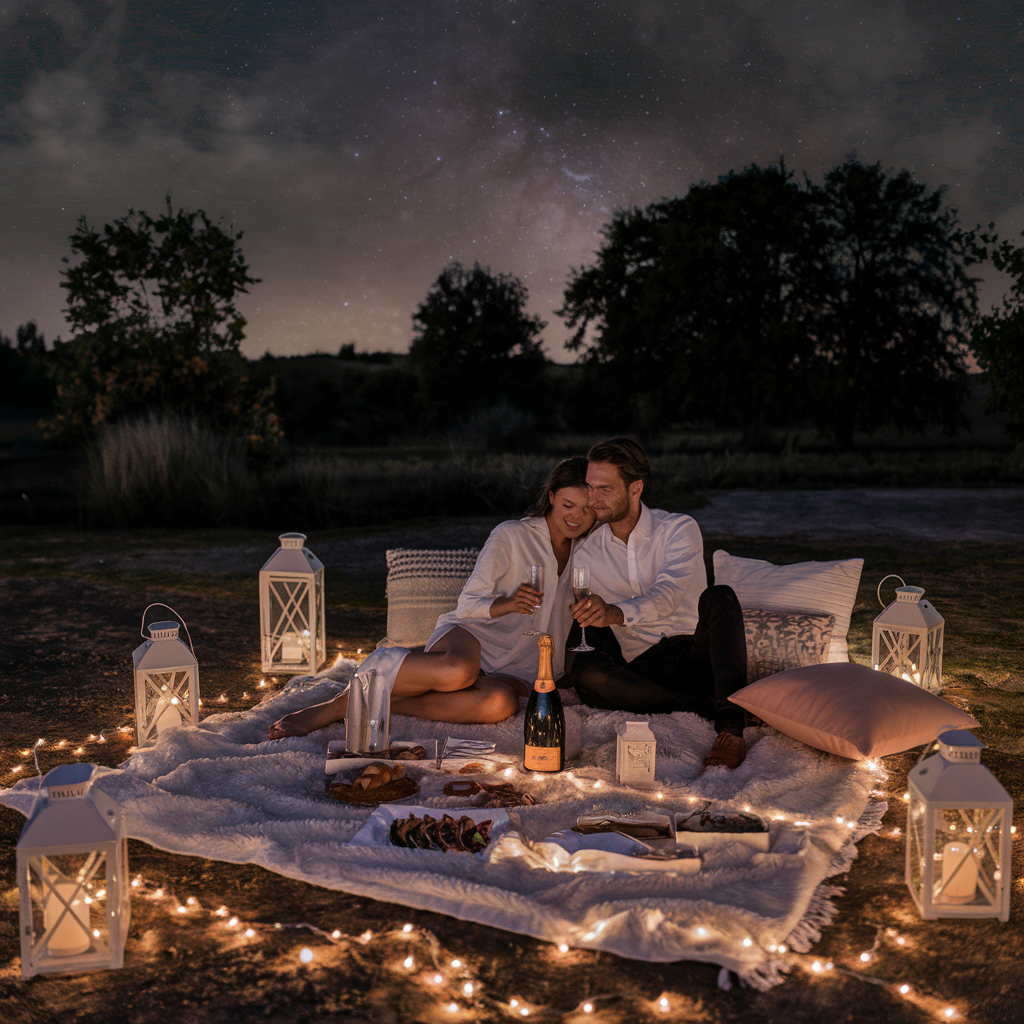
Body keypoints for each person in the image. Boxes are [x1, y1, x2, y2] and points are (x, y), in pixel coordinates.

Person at [268, 457, 595, 739]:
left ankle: (387, 701)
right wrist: (508, 603)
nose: (576, 517)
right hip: (472, 636)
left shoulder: (591, 551)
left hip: (522, 662)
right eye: (568, 505)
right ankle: (337, 705)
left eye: (587, 509)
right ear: (551, 497)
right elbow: (468, 605)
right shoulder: (512, 535)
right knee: (458, 671)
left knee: (500, 704)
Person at [561, 438, 749, 770]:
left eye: (604, 489)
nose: (592, 499)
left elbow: (667, 595)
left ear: (636, 489)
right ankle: (709, 706)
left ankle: (732, 728)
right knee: (585, 671)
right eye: (589, 488)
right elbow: (584, 612)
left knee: (720, 597)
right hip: (643, 669)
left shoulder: (677, 529)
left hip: (694, 656)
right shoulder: (587, 551)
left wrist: (615, 613)